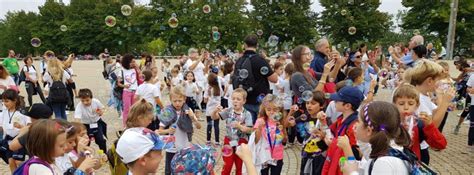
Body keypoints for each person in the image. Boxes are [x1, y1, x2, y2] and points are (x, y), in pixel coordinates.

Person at [403, 59, 454, 164]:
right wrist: (444, 103)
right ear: (430, 81)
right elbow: (432, 126)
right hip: (418, 149)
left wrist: (442, 99)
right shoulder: (417, 98)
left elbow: (435, 112)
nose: (440, 83)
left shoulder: (422, 95)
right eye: (438, 80)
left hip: (418, 146)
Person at [339, 101, 412, 175]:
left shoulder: (384, 162)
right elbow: (369, 160)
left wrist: (351, 172)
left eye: (358, 121)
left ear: (368, 130)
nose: (356, 125)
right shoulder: (388, 149)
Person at [392, 85, 447, 159]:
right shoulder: (388, 122)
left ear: (417, 106)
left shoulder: (419, 124)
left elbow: (440, 145)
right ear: (394, 104)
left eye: (411, 104)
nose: (406, 107)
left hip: (410, 165)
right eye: (401, 104)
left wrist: (430, 126)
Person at [157, 85, 202, 175]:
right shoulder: (167, 112)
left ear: (184, 99)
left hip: (184, 148)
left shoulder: (188, 111)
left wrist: (193, 117)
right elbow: (159, 131)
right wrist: (167, 131)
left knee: (184, 171)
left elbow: (199, 126)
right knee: (169, 172)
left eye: (180, 101)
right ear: (171, 100)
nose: (177, 103)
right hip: (171, 149)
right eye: (175, 101)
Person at [25, 119, 96, 175]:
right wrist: (82, 169)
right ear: (46, 146)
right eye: (61, 145)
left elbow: (73, 167)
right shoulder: (40, 169)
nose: (65, 147)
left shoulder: (49, 161)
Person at [234, 34, 278, 123]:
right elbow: (274, 79)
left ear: (245, 45)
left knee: (247, 129)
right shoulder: (260, 60)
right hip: (260, 100)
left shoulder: (239, 61)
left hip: (244, 100)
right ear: (257, 45)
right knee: (260, 128)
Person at [321, 86, 364, 175]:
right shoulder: (341, 118)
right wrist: (323, 122)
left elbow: (356, 153)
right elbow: (330, 133)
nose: (334, 102)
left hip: (344, 167)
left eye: (337, 101)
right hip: (335, 162)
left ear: (347, 106)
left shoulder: (354, 126)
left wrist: (334, 143)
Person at [211, 88, 254, 175]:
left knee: (240, 167)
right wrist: (215, 111)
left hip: (242, 142)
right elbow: (214, 117)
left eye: (238, 99)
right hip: (229, 141)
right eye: (233, 98)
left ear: (244, 101)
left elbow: (249, 130)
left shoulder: (247, 114)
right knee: (227, 165)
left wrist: (240, 126)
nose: (235, 101)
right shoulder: (229, 111)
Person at [253, 94, 289, 175]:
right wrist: (259, 128)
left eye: (275, 109)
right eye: (269, 109)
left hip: (277, 156)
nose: (272, 112)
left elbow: (284, 141)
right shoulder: (260, 121)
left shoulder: (280, 121)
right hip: (263, 156)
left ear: (280, 110)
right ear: (264, 109)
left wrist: (282, 134)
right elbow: (256, 140)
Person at [299, 90, 330, 175]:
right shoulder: (306, 117)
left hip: (318, 158)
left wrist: (319, 133)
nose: (309, 106)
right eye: (307, 103)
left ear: (322, 105)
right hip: (306, 154)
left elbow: (329, 139)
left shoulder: (324, 119)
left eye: (313, 103)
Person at [0, 89, 30, 172]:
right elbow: (2, 124)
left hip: (18, 140)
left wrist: (20, 126)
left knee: (18, 161)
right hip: (7, 140)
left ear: (15, 101)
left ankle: (29, 169)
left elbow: (29, 126)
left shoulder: (22, 112)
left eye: (7, 101)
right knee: (11, 162)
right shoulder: (4, 112)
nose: (4, 104)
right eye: (3, 101)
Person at [117, 54, 139, 127]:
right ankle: (125, 125)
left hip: (135, 92)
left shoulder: (135, 69)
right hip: (127, 91)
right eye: (132, 62)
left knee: (135, 109)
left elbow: (141, 77)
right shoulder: (122, 71)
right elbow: (118, 83)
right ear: (127, 62)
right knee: (127, 109)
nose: (134, 63)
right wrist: (124, 85)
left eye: (134, 61)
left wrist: (137, 67)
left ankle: (134, 124)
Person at [204, 73, 223, 146]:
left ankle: (208, 140)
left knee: (209, 125)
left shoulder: (208, 88)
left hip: (209, 110)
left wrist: (209, 97)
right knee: (216, 125)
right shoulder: (218, 88)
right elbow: (222, 95)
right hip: (217, 109)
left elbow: (205, 101)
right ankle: (217, 141)